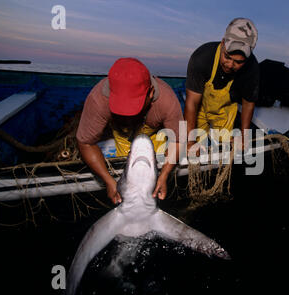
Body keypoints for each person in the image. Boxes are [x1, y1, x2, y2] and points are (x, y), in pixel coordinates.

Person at [76, 57, 183, 204]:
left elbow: (179, 139)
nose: (127, 115)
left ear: (150, 93)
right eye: (120, 108)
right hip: (121, 135)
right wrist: (108, 180)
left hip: (154, 135)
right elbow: (85, 143)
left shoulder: (167, 100)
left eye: (133, 108)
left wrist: (164, 174)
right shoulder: (97, 100)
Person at [184, 17, 259, 148]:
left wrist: (243, 136)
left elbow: (248, 105)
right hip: (200, 107)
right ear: (223, 43)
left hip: (225, 112)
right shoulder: (202, 57)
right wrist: (190, 141)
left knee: (224, 146)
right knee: (197, 145)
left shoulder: (252, 68)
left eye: (238, 62)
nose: (230, 65)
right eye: (227, 57)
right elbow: (192, 102)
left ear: (248, 58)